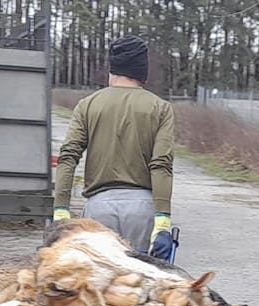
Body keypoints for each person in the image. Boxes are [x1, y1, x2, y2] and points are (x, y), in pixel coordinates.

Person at [53, 36, 177, 256]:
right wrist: (162, 221)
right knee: (143, 285)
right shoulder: (160, 108)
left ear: (112, 70)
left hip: (98, 211)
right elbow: (161, 165)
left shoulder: (87, 105)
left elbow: (68, 157)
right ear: (143, 74)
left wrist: (61, 210)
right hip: (143, 209)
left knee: (99, 287)